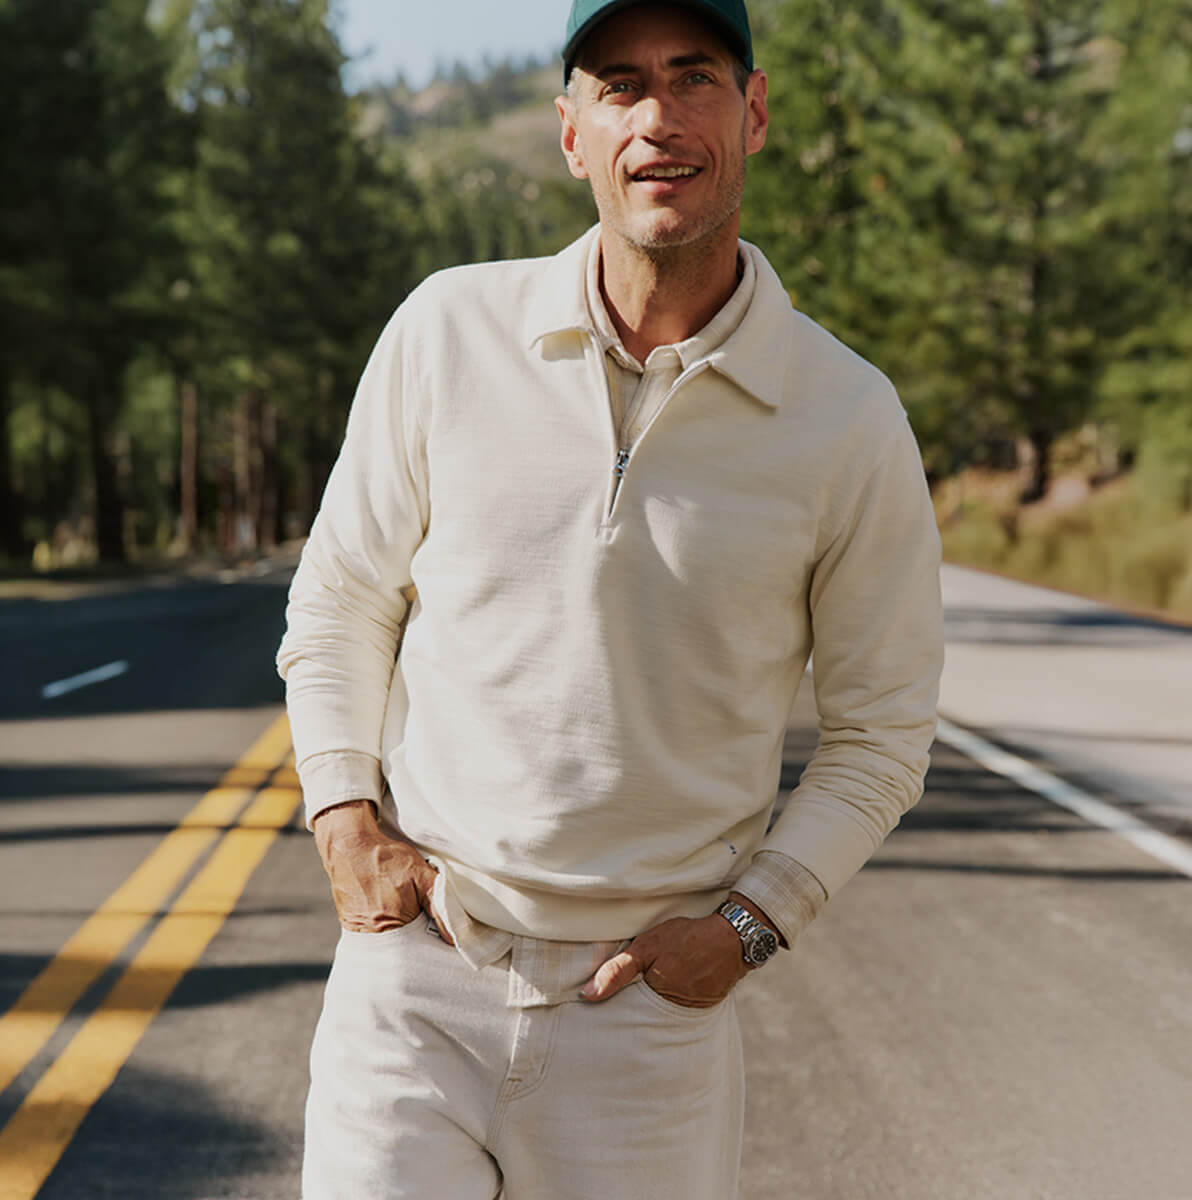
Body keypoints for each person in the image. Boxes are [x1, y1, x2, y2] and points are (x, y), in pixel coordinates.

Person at [276, 0, 944, 1196]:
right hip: (417, 977)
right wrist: (342, 815)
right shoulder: (446, 332)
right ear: (572, 131)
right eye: (620, 85)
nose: (658, 119)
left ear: (753, 113)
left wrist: (746, 928)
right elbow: (340, 601)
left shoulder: (846, 417)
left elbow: (883, 734)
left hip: (646, 1023)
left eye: (694, 78)